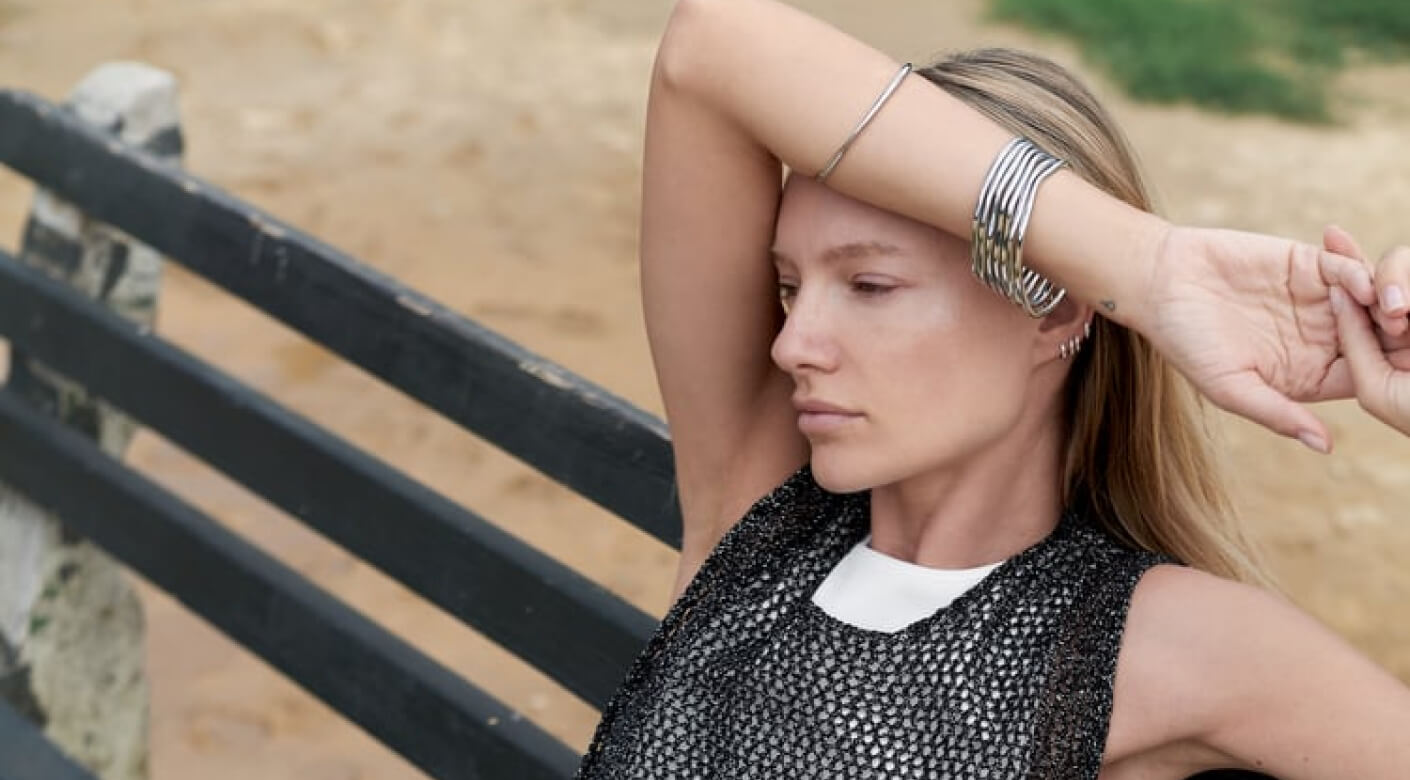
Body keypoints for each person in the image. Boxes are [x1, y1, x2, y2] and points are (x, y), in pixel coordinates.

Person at [576, 1, 1410, 777]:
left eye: (869, 286)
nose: (791, 344)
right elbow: (709, 48)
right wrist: (1147, 263)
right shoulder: (760, 529)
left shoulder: (1148, 643)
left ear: (1056, 310)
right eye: (791, 287)